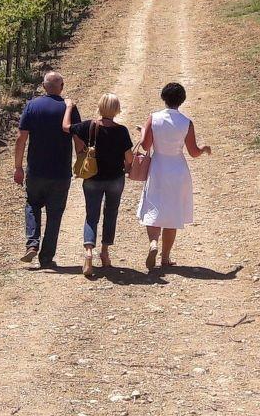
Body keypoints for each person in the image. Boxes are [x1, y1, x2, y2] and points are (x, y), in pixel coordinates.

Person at [137, 81, 209, 272]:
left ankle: (153, 242)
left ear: (164, 97)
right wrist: (203, 149)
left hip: (158, 167)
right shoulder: (186, 122)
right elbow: (193, 152)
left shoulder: (154, 118)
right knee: (172, 212)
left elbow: (145, 146)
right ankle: (166, 257)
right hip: (177, 168)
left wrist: (143, 131)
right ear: (182, 100)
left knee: (154, 206)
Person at [12, 70, 77, 268]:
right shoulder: (69, 108)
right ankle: (46, 257)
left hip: (36, 170)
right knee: (55, 214)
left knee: (32, 205)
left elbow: (21, 138)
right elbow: (78, 138)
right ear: (61, 87)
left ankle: (32, 243)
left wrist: (18, 167)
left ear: (43, 86)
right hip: (60, 172)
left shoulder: (32, 106)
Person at [68, 92, 133, 278]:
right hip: (115, 179)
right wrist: (129, 166)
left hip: (92, 178)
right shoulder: (121, 131)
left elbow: (66, 128)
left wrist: (68, 108)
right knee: (111, 214)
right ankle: (104, 252)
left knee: (91, 216)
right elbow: (129, 158)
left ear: (100, 107)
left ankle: (88, 252)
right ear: (117, 109)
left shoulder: (89, 126)